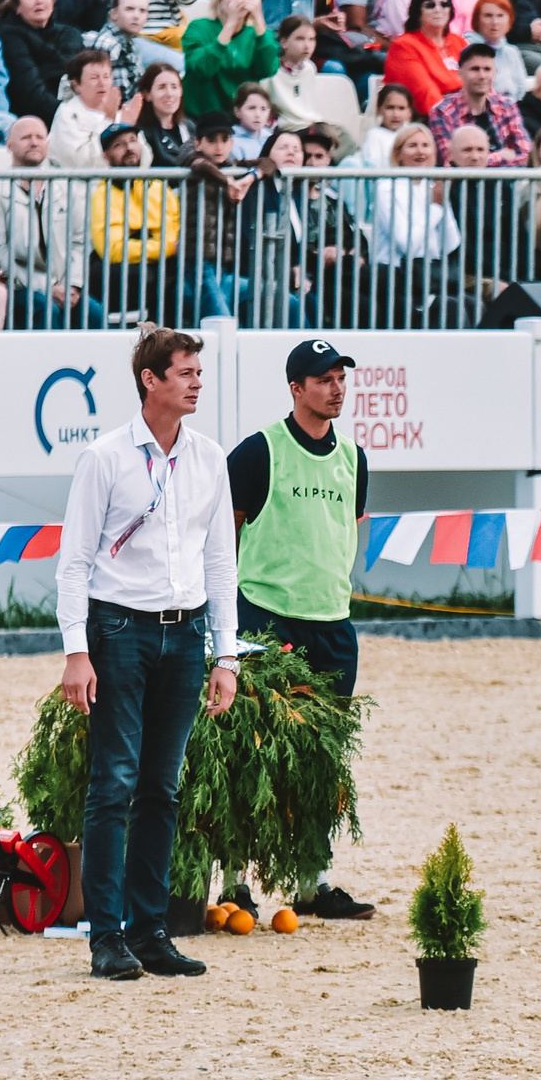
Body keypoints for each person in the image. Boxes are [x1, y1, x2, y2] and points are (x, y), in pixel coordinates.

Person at [55, 326, 241, 983]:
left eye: (197, 372)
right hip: (119, 631)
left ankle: (150, 930)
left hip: (187, 634)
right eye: (184, 372)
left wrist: (228, 656)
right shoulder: (105, 458)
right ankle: (106, 935)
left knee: (162, 788)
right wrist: (77, 651)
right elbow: (73, 562)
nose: (196, 382)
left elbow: (222, 562)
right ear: (150, 380)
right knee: (114, 784)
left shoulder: (209, 458)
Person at [224, 336, 374, 919]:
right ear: (296, 388)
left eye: (341, 378)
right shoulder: (259, 451)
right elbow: (224, 535)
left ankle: (311, 883)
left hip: (333, 624)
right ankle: (235, 880)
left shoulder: (354, 458)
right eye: (323, 379)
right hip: (266, 619)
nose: (336, 388)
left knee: (322, 760)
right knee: (250, 753)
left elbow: (343, 530)